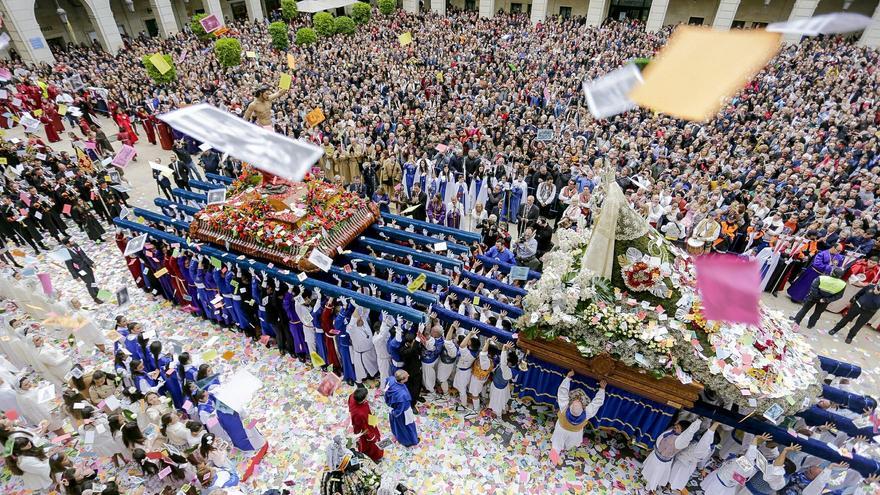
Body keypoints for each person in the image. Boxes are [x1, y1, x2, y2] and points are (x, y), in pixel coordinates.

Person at [550, 371, 605, 458]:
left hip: (561, 430)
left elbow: (562, 392)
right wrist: (602, 389)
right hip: (575, 433)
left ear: (570, 406)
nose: (578, 400)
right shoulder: (586, 414)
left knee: (557, 444)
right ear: (583, 408)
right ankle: (567, 448)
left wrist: (568, 377)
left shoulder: (564, 408)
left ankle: (554, 456)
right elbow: (596, 403)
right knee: (571, 442)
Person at [640, 419, 700, 491]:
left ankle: (647, 489)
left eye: (678, 427)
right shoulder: (672, 431)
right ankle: (645, 481)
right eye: (676, 426)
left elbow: (689, 433)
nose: (675, 427)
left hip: (661, 462)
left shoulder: (681, 441)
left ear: (683, 432)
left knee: (654, 477)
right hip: (656, 455)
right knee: (649, 470)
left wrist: (698, 422)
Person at [668, 422, 719, 492]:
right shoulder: (700, 443)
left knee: (675, 477)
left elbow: (702, 461)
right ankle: (669, 486)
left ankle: (669, 487)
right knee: (674, 475)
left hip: (684, 464)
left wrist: (701, 468)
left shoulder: (703, 448)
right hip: (682, 460)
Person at [348, 386, 384, 462]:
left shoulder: (352, 396)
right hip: (366, 427)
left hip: (364, 420)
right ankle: (375, 457)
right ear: (363, 399)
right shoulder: (360, 414)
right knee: (372, 445)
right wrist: (372, 437)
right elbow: (365, 428)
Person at [383, 370, 419, 447]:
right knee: (407, 426)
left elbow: (385, 390)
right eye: (406, 376)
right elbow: (401, 409)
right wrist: (395, 413)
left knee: (397, 425)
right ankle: (409, 441)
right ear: (402, 380)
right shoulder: (403, 395)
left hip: (393, 407)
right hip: (403, 413)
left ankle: (397, 434)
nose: (408, 375)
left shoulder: (391, 379)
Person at [62, 238, 101, 304]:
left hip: (87, 266)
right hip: (80, 270)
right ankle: (95, 297)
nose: (73, 242)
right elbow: (70, 267)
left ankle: (97, 291)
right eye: (71, 242)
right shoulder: (66, 253)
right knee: (89, 283)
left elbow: (84, 255)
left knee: (93, 280)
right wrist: (76, 276)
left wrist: (91, 262)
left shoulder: (76, 245)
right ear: (67, 244)